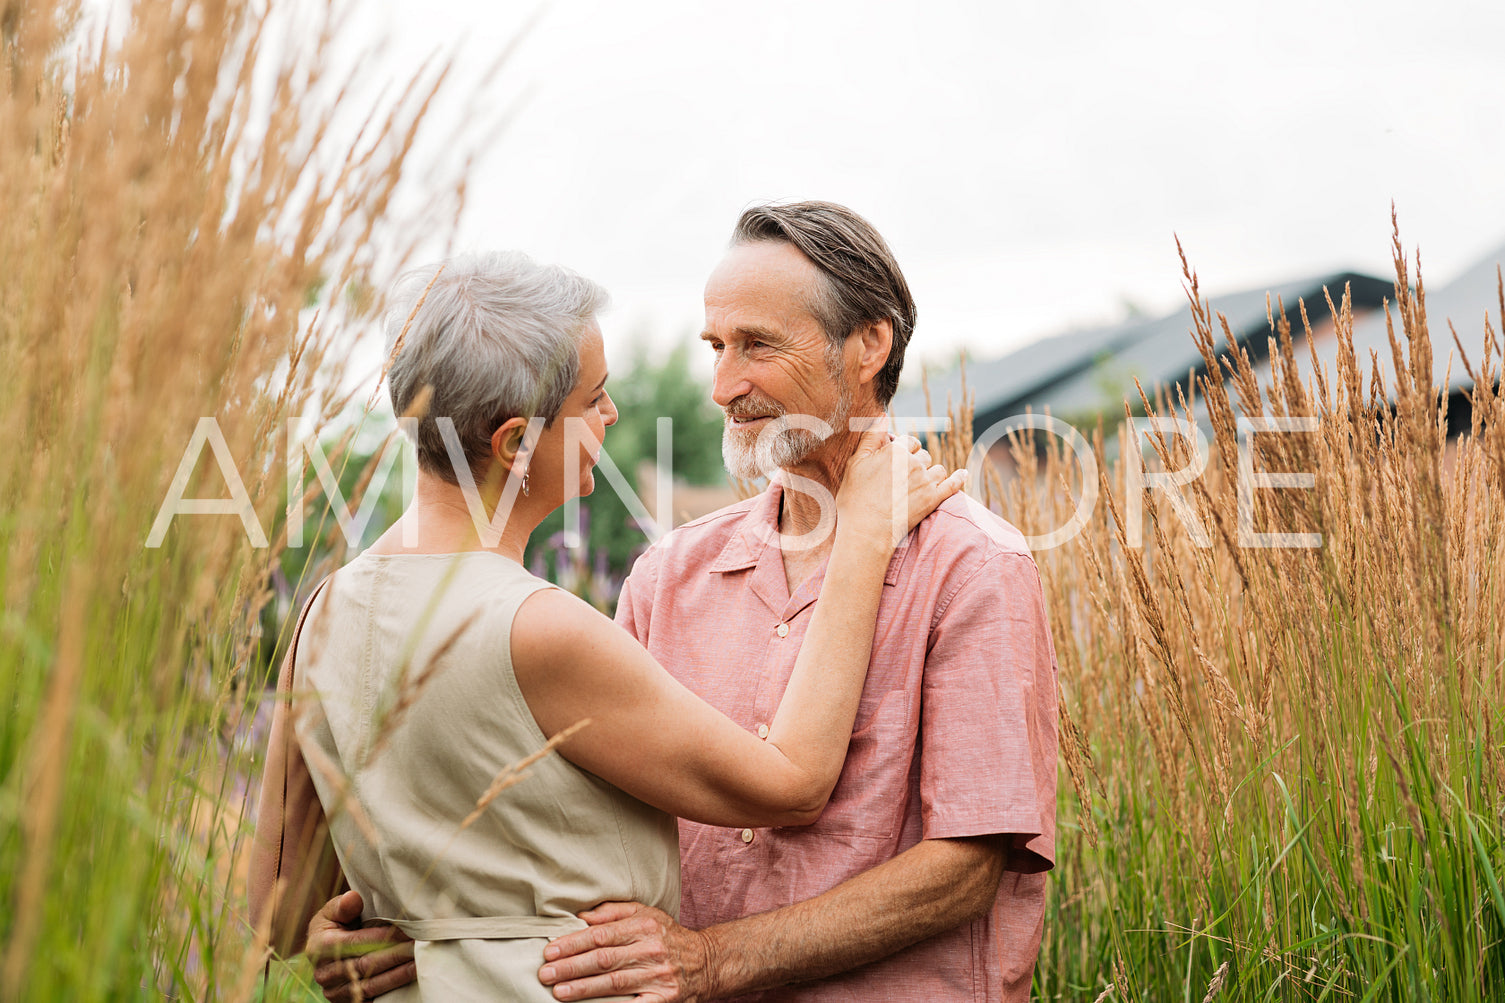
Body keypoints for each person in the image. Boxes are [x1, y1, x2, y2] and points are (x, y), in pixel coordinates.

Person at [305, 202, 1059, 1003]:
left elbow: (964, 870)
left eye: (757, 346)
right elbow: (564, 818)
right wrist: (401, 923)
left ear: (868, 344)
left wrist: (714, 959)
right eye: (715, 347)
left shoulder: (974, 565)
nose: (723, 387)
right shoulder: (669, 572)